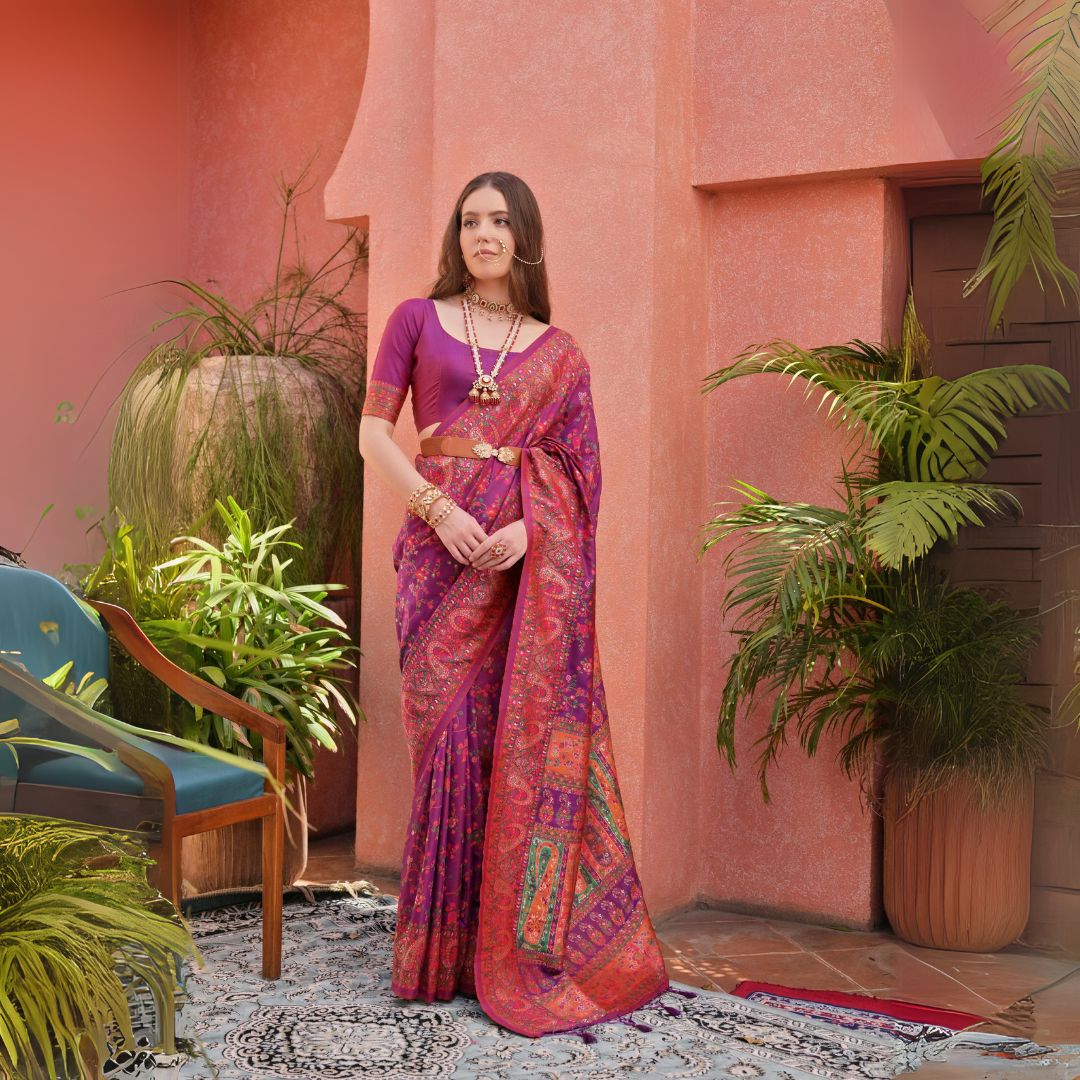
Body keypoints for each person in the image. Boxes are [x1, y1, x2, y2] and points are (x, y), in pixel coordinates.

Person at [357, 171, 674, 1040]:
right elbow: (373, 435)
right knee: (448, 740)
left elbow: (579, 475)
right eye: (470, 221)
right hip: (437, 553)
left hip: (522, 573)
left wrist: (533, 541)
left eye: (499, 221)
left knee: (512, 746)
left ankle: (503, 945)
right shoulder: (416, 320)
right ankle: (439, 953)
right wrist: (438, 509)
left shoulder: (559, 351)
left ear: (524, 235)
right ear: (455, 236)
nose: (483, 234)